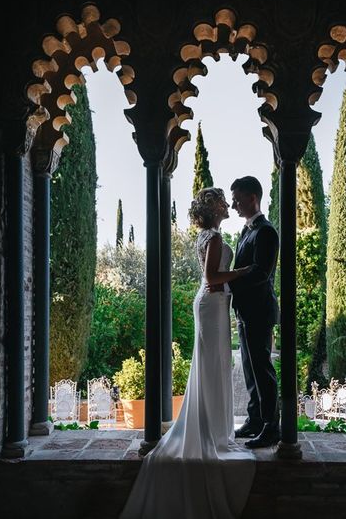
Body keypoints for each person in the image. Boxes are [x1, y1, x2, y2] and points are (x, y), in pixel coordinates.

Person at [119, 187, 255, 519]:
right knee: (211, 365)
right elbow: (211, 279)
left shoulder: (210, 235)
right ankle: (209, 432)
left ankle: (213, 427)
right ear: (213, 208)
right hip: (212, 303)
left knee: (213, 364)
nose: (227, 205)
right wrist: (243, 272)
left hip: (213, 305)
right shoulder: (215, 239)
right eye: (223, 202)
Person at [226, 176, 281, 448]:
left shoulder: (266, 232)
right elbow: (244, 267)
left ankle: (272, 426)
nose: (234, 204)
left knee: (262, 369)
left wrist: (227, 280)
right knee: (249, 368)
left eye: (237, 198)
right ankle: (255, 419)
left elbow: (261, 273)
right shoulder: (246, 231)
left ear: (252, 198)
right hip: (244, 311)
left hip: (259, 311)